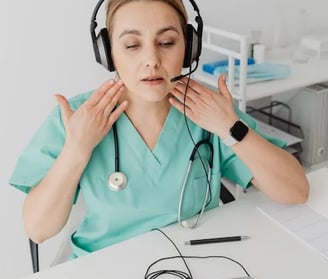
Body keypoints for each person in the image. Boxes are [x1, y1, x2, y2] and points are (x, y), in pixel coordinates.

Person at [9, 0, 309, 259]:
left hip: (196, 260)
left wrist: (231, 128)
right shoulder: (78, 117)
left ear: (189, 47)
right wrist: (77, 149)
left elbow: (295, 191)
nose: (152, 60)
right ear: (108, 53)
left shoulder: (208, 109)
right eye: (131, 45)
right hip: (103, 270)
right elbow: (38, 230)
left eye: (166, 43)